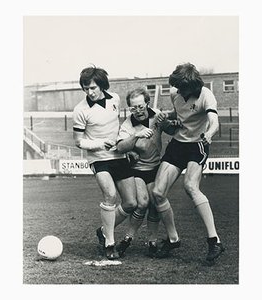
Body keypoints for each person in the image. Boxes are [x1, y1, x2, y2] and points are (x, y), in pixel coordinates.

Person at [153, 63, 225, 261]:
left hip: (198, 144)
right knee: (158, 192)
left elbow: (214, 121)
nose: (179, 91)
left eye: (182, 87)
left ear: (193, 85)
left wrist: (209, 134)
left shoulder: (205, 95)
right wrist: (166, 119)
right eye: (177, 86)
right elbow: (179, 117)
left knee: (190, 186)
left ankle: (214, 241)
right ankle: (173, 239)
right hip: (178, 145)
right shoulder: (175, 95)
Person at [72, 66, 137, 260]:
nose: (89, 92)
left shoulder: (115, 99)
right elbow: (78, 141)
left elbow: (120, 126)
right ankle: (109, 243)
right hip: (98, 159)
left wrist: (128, 146)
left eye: (93, 87)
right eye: (85, 88)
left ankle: (103, 231)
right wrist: (100, 143)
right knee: (110, 195)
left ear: (102, 85)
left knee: (131, 203)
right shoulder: (80, 110)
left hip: (118, 156)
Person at [115, 87, 181, 258]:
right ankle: (127, 238)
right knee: (142, 202)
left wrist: (169, 122)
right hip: (136, 170)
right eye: (133, 108)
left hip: (155, 168)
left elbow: (171, 131)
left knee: (154, 204)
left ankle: (152, 242)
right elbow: (120, 147)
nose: (137, 111)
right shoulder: (127, 125)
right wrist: (137, 135)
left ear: (147, 103)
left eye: (140, 106)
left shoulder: (156, 115)